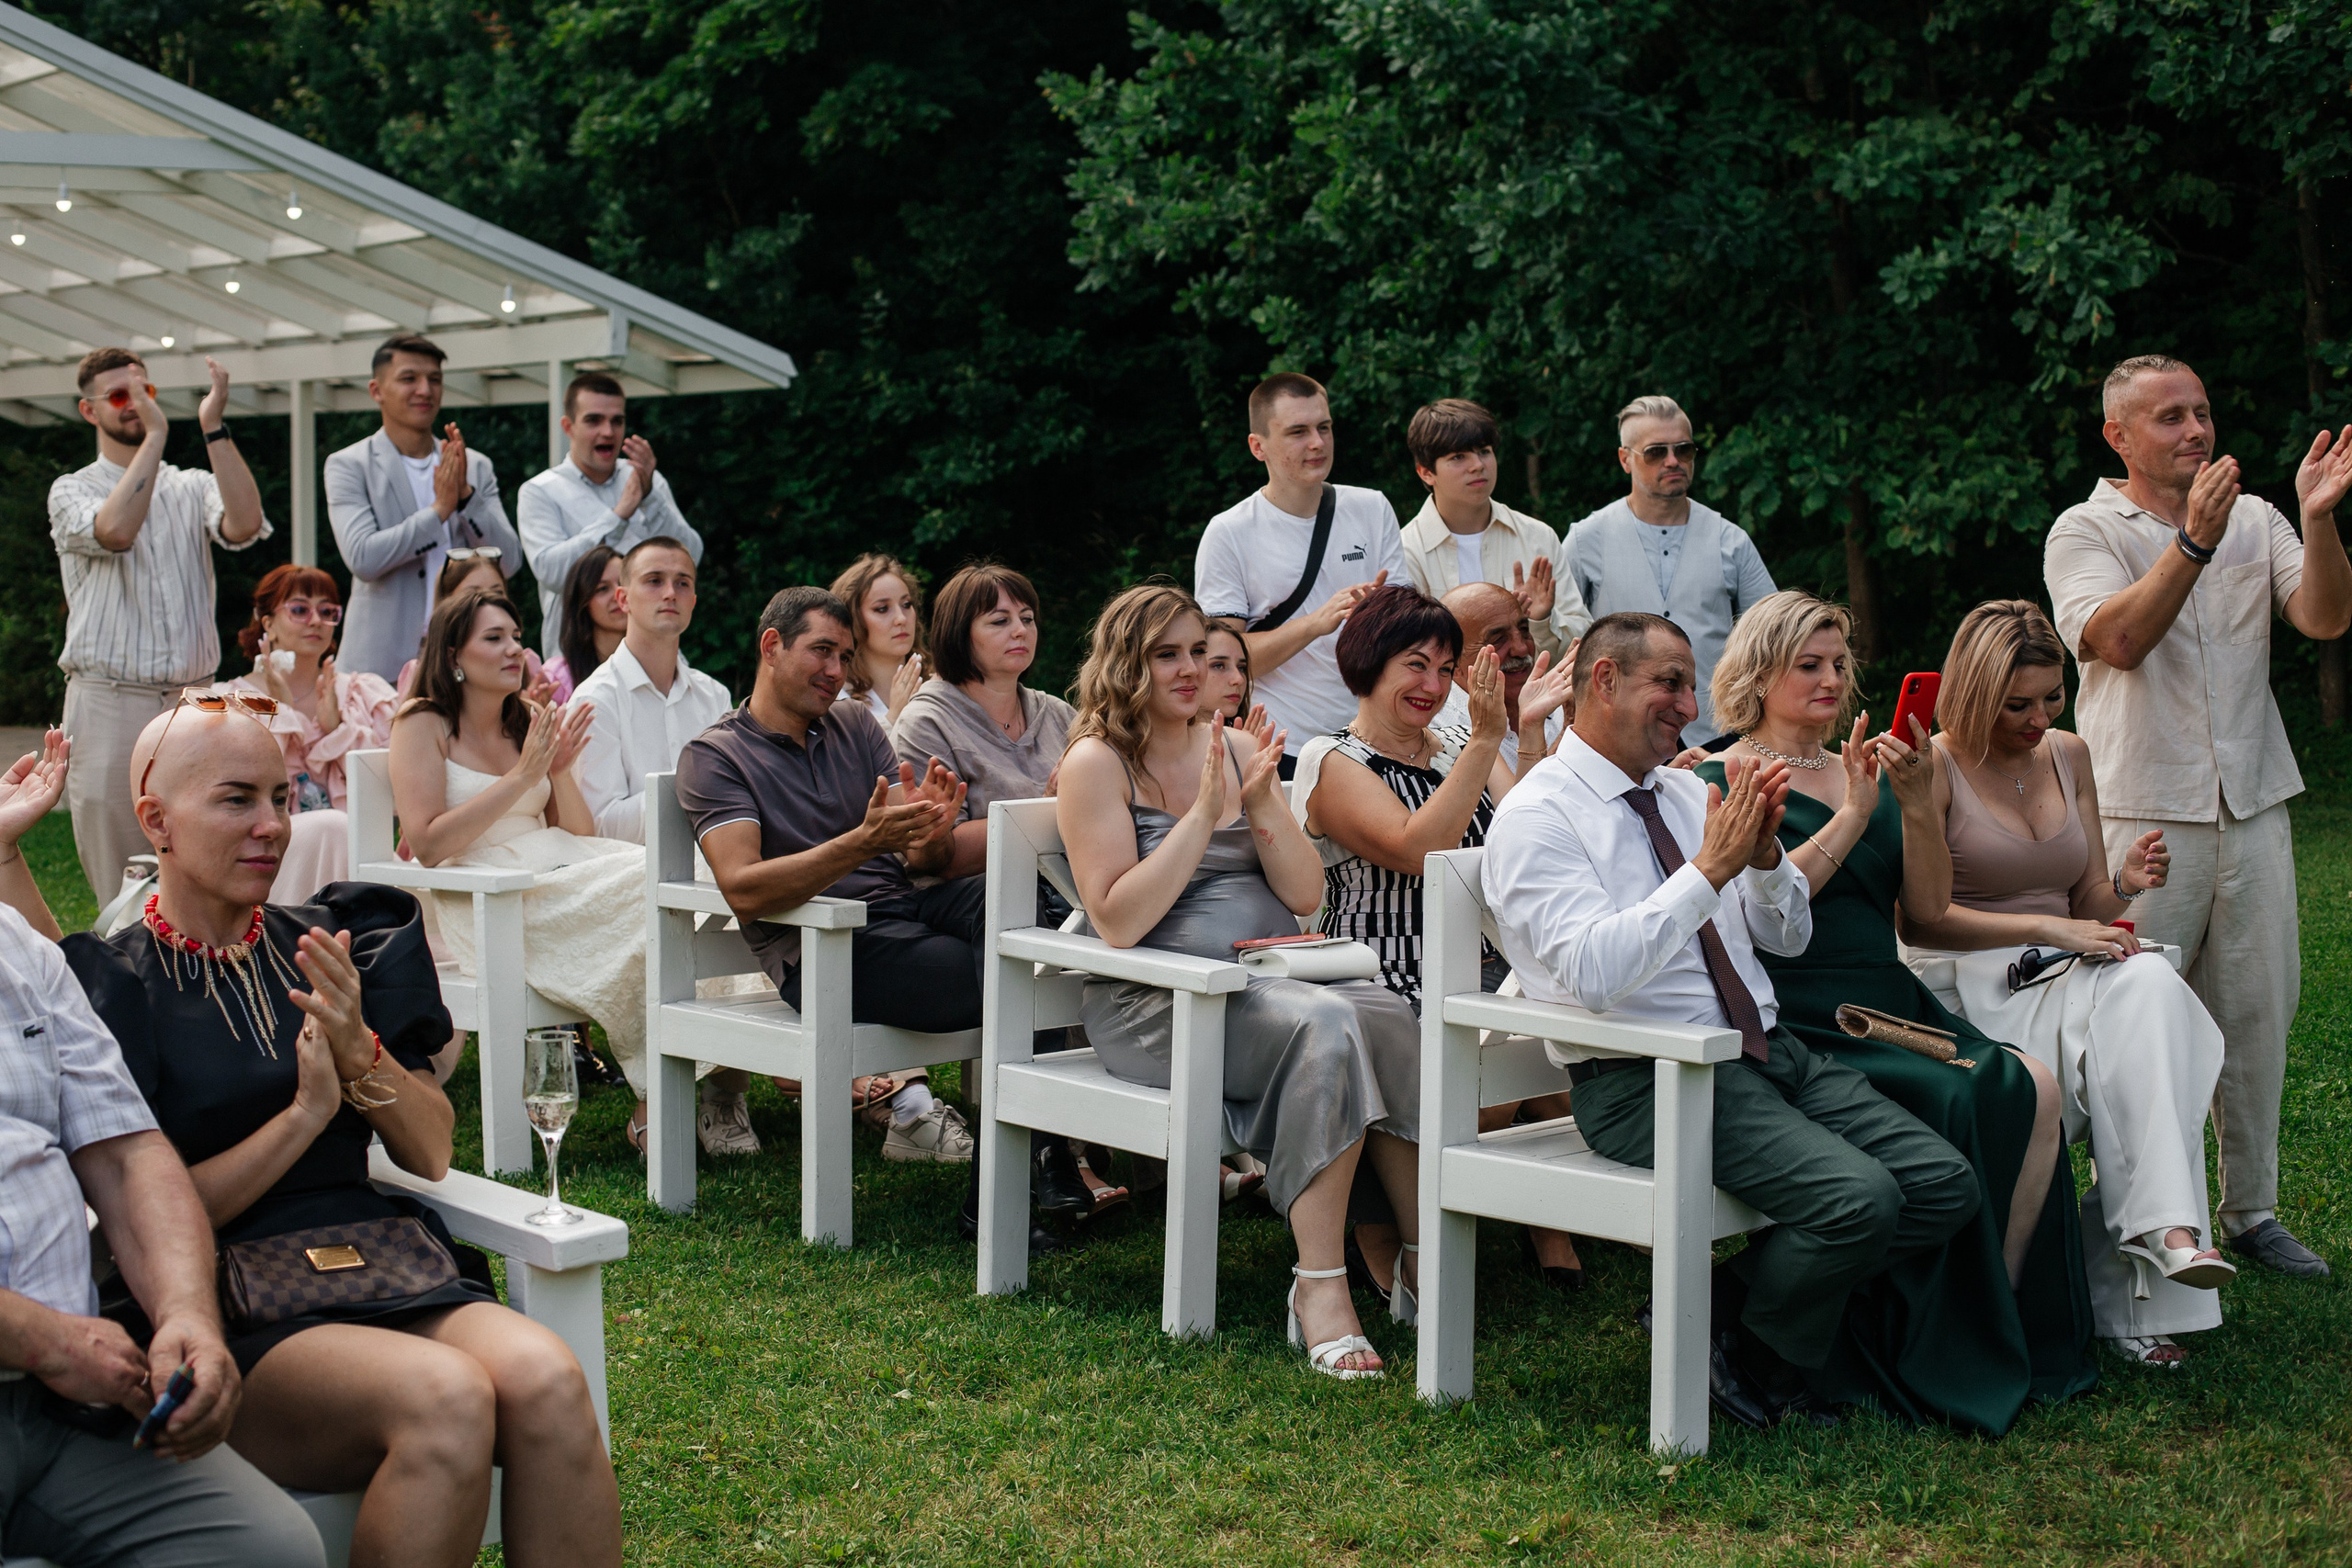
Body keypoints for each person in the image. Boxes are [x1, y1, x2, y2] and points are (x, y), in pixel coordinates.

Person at [49, 698, 620, 1567]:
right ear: (156, 820)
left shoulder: (336, 940)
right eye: (237, 800)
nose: (272, 826)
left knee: (546, 1377)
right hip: (222, 1301)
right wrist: (305, 1117)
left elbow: (429, 1150)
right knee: (449, 1397)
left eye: (281, 797)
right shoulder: (111, 984)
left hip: (379, 1262)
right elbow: (144, 1212)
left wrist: (360, 1050)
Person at [1485, 611, 1984, 1431]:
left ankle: (1721, 1321)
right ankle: (1762, 1360)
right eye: (1669, 683)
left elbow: (1785, 933)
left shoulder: (1685, 790)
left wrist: (1760, 867)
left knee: (1940, 1184)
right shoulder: (1541, 816)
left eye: (1688, 684)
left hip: (1766, 1049)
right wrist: (1709, 868)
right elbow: (1595, 976)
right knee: (1859, 1200)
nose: (1689, 704)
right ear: (1603, 681)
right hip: (1646, 1076)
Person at [1696, 592, 2096, 1427]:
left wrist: (1913, 804)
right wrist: (1853, 810)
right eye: (1809, 664)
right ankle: (1930, 1335)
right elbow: (1768, 907)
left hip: (1889, 995)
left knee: (2034, 1090)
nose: (1831, 679)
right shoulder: (1716, 772)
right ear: (1759, 671)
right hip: (1799, 1013)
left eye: (1840, 664)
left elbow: (1921, 912)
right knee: (1962, 1097)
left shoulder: (1868, 768)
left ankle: (1996, 1321)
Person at [1058, 584, 1423, 1379]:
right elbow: (1117, 920)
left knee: (1387, 1011)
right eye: (1169, 655)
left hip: (1268, 974)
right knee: (1326, 1024)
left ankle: (1419, 1251)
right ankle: (1319, 1285)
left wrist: (1259, 801)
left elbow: (1303, 894)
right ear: (1127, 663)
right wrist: (1198, 818)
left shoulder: (1228, 744)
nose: (1192, 670)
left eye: (1200, 651)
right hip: (1160, 1000)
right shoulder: (1095, 762)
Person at [2044, 354, 2352, 1281]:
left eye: (2201, 412)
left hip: (2251, 800)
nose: (2194, 430)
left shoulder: (2256, 517)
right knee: (2133, 1024)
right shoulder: (2085, 529)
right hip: (2140, 811)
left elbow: (2326, 619)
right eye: (2169, 417)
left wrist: (2318, 517)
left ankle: (2250, 1212)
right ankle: (2136, 1218)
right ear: (2119, 436)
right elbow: (2118, 641)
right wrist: (2192, 545)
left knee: (2258, 1014)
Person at [1902, 601, 2232, 1368]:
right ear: (1974, 690)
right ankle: (2151, 1263)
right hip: (1976, 988)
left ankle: (2170, 1236)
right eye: (2018, 702)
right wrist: (2046, 930)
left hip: (2072, 969)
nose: (2038, 716)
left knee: (2149, 988)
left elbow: (2087, 902)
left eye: (2052, 697)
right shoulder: (1934, 766)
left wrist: (2122, 881)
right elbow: (1921, 923)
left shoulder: (2069, 753)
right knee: (2150, 1034)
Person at [1293, 583, 1584, 1293]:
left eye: (1445, 669)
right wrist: (1489, 740)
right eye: (1414, 665)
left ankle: (1516, 1213)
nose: (1433, 685)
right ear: (1369, 664)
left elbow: (1523, 831)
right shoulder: (1332, 759)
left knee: (1576, 1030)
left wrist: (1532, 731)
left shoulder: (1457, 739)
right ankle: (1392, 1225)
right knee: (1485, 1066)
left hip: (1483, 959)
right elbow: (1420, 848)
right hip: (1382, 971)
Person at [674, 589, 1007, 1197]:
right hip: (824, 947)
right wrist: (861, 842)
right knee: (988, 971)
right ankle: (1019, 1165)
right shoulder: (715, 756)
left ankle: (1028, 1157)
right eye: (821, 651)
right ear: (771, 646)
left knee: (1018, 916)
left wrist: (931, 830)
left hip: (905, 907)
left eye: (844, 655)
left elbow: (919, 859)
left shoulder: (856, 723)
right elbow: (743, 888)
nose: (836, 671)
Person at [388, 588, 650, 1145]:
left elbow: (579, 834)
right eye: (495, 638)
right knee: (640, 894)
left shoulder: (528, 718)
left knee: (659, 878)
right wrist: (523, 778)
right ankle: (654, 1095)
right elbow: (428, 843)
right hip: (486, 893)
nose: (516, 649)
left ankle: (673, 1088)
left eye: (516, 637)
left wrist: (556, 773)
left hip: (557, 865)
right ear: (454, 655)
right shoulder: (422, 723)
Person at [888, 564, 1107, 1212]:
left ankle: (1110, 1146)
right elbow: (935, 853)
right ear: (961, 632)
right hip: (955, 895)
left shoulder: (1057, 712)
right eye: (999, 620)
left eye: (1027, 617)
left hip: (1055, 890)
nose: (1020, 630)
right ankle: (1030, 1166)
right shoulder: (928, 720)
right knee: (1023, 917)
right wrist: (1046, 819)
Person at [52, 347, 269, 910]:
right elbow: (117, 530)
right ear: (88, 410)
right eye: (120, 397)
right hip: (109, 701)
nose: (137, 407)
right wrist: (154, 438)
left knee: (208, 860)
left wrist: (212, 427)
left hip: (195, 702)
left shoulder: (192, 484)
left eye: (143, 393)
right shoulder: (70, 489)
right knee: (120, 878)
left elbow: (245, 523)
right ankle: (126, 988)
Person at [1195, 373, 1405, 773]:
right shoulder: (1229, 532)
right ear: (1258, 447)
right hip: (1282, 743)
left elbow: (1409, 636)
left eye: (1324, 427)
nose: (1317, 443)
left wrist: (1385, 616)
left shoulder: (1372, 508)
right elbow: (1219, 662)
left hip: (1377, 736)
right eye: (1297, 432)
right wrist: (1315, 624)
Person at [1562, 396, 1775, 745]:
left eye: (1684, 450)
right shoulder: (1586, 540)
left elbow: (1774, 639)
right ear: (1625, 459)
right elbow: (1563, 642)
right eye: (1656, 452)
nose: (1673, 461)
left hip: (1717, 735)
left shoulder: (1730, 540)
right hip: (1618, 738)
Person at [326, 334, 522, 684]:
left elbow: (509, 561)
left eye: (434, 379)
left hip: (465, 658)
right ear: (376, 390)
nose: (424, 390)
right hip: (379, 666)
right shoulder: (348, 465)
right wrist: (439, 512)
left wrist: (465, 499)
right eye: (409, 379)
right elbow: (363, 557)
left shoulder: (473, 466)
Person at [209, 565, 397, 904]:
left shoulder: (363, 694)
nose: (315, 621)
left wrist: (336, 730)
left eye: (327, 612)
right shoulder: (229, 701)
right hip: (265, 857)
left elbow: (390, 795)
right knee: (328, 827)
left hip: (353, 856)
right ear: (267, 623)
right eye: (299, 610)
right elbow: (232, 791)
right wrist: (279, 712)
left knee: (337, 830)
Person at [516, 370, 703, 660]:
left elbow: (691, 558)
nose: (608, 432)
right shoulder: (539, 491)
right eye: (594, 420)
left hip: (656, 657)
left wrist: (651, 496)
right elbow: (552, 572)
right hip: (577, 662)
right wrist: (618, 517)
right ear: (568, 427)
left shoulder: (646, 480)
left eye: (617, 421)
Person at [1396, 399, 1590, 661]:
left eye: (1485, 451)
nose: (1478, 465)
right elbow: (1407, 657)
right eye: (1458, 457)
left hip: (1534, 698)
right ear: (1426, 473)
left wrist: (1542, 620)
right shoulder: (1406, 550)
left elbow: (1584, 643)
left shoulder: (1537, 536)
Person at [572, 538, 731, 844]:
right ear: (623, 599)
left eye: (683, 583)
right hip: (629, 876)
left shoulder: (715, 696)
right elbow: (601, 825)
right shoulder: (593, 700)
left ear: (693, 602)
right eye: (654, 581)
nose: (670, 593)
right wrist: (695, 789)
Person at [1434, 581, 1574, 774]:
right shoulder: (1440, 727)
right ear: (1454, 662)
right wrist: (1568, 732)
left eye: (1524, 631)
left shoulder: (1562, 704)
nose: (1522, 648)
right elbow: (1516, 804)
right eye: (1498, 640)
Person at [396, 551, 549, 704]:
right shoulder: (419, 679)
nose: (487, 601)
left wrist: (535, 713)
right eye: (472, 594)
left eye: (497, 592)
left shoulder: (527, 663)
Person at [831, 554, 927, 729]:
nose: (901, 618)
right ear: (853, 620)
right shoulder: (836, 701)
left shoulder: (939, 685)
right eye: (882, 609)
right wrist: (893, 718)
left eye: (906, 604)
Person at [544, 545, 624, 703]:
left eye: (624, 584)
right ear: (582, 602)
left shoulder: (659, 666)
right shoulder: (556, 679)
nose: (618, 594)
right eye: (603, 589)